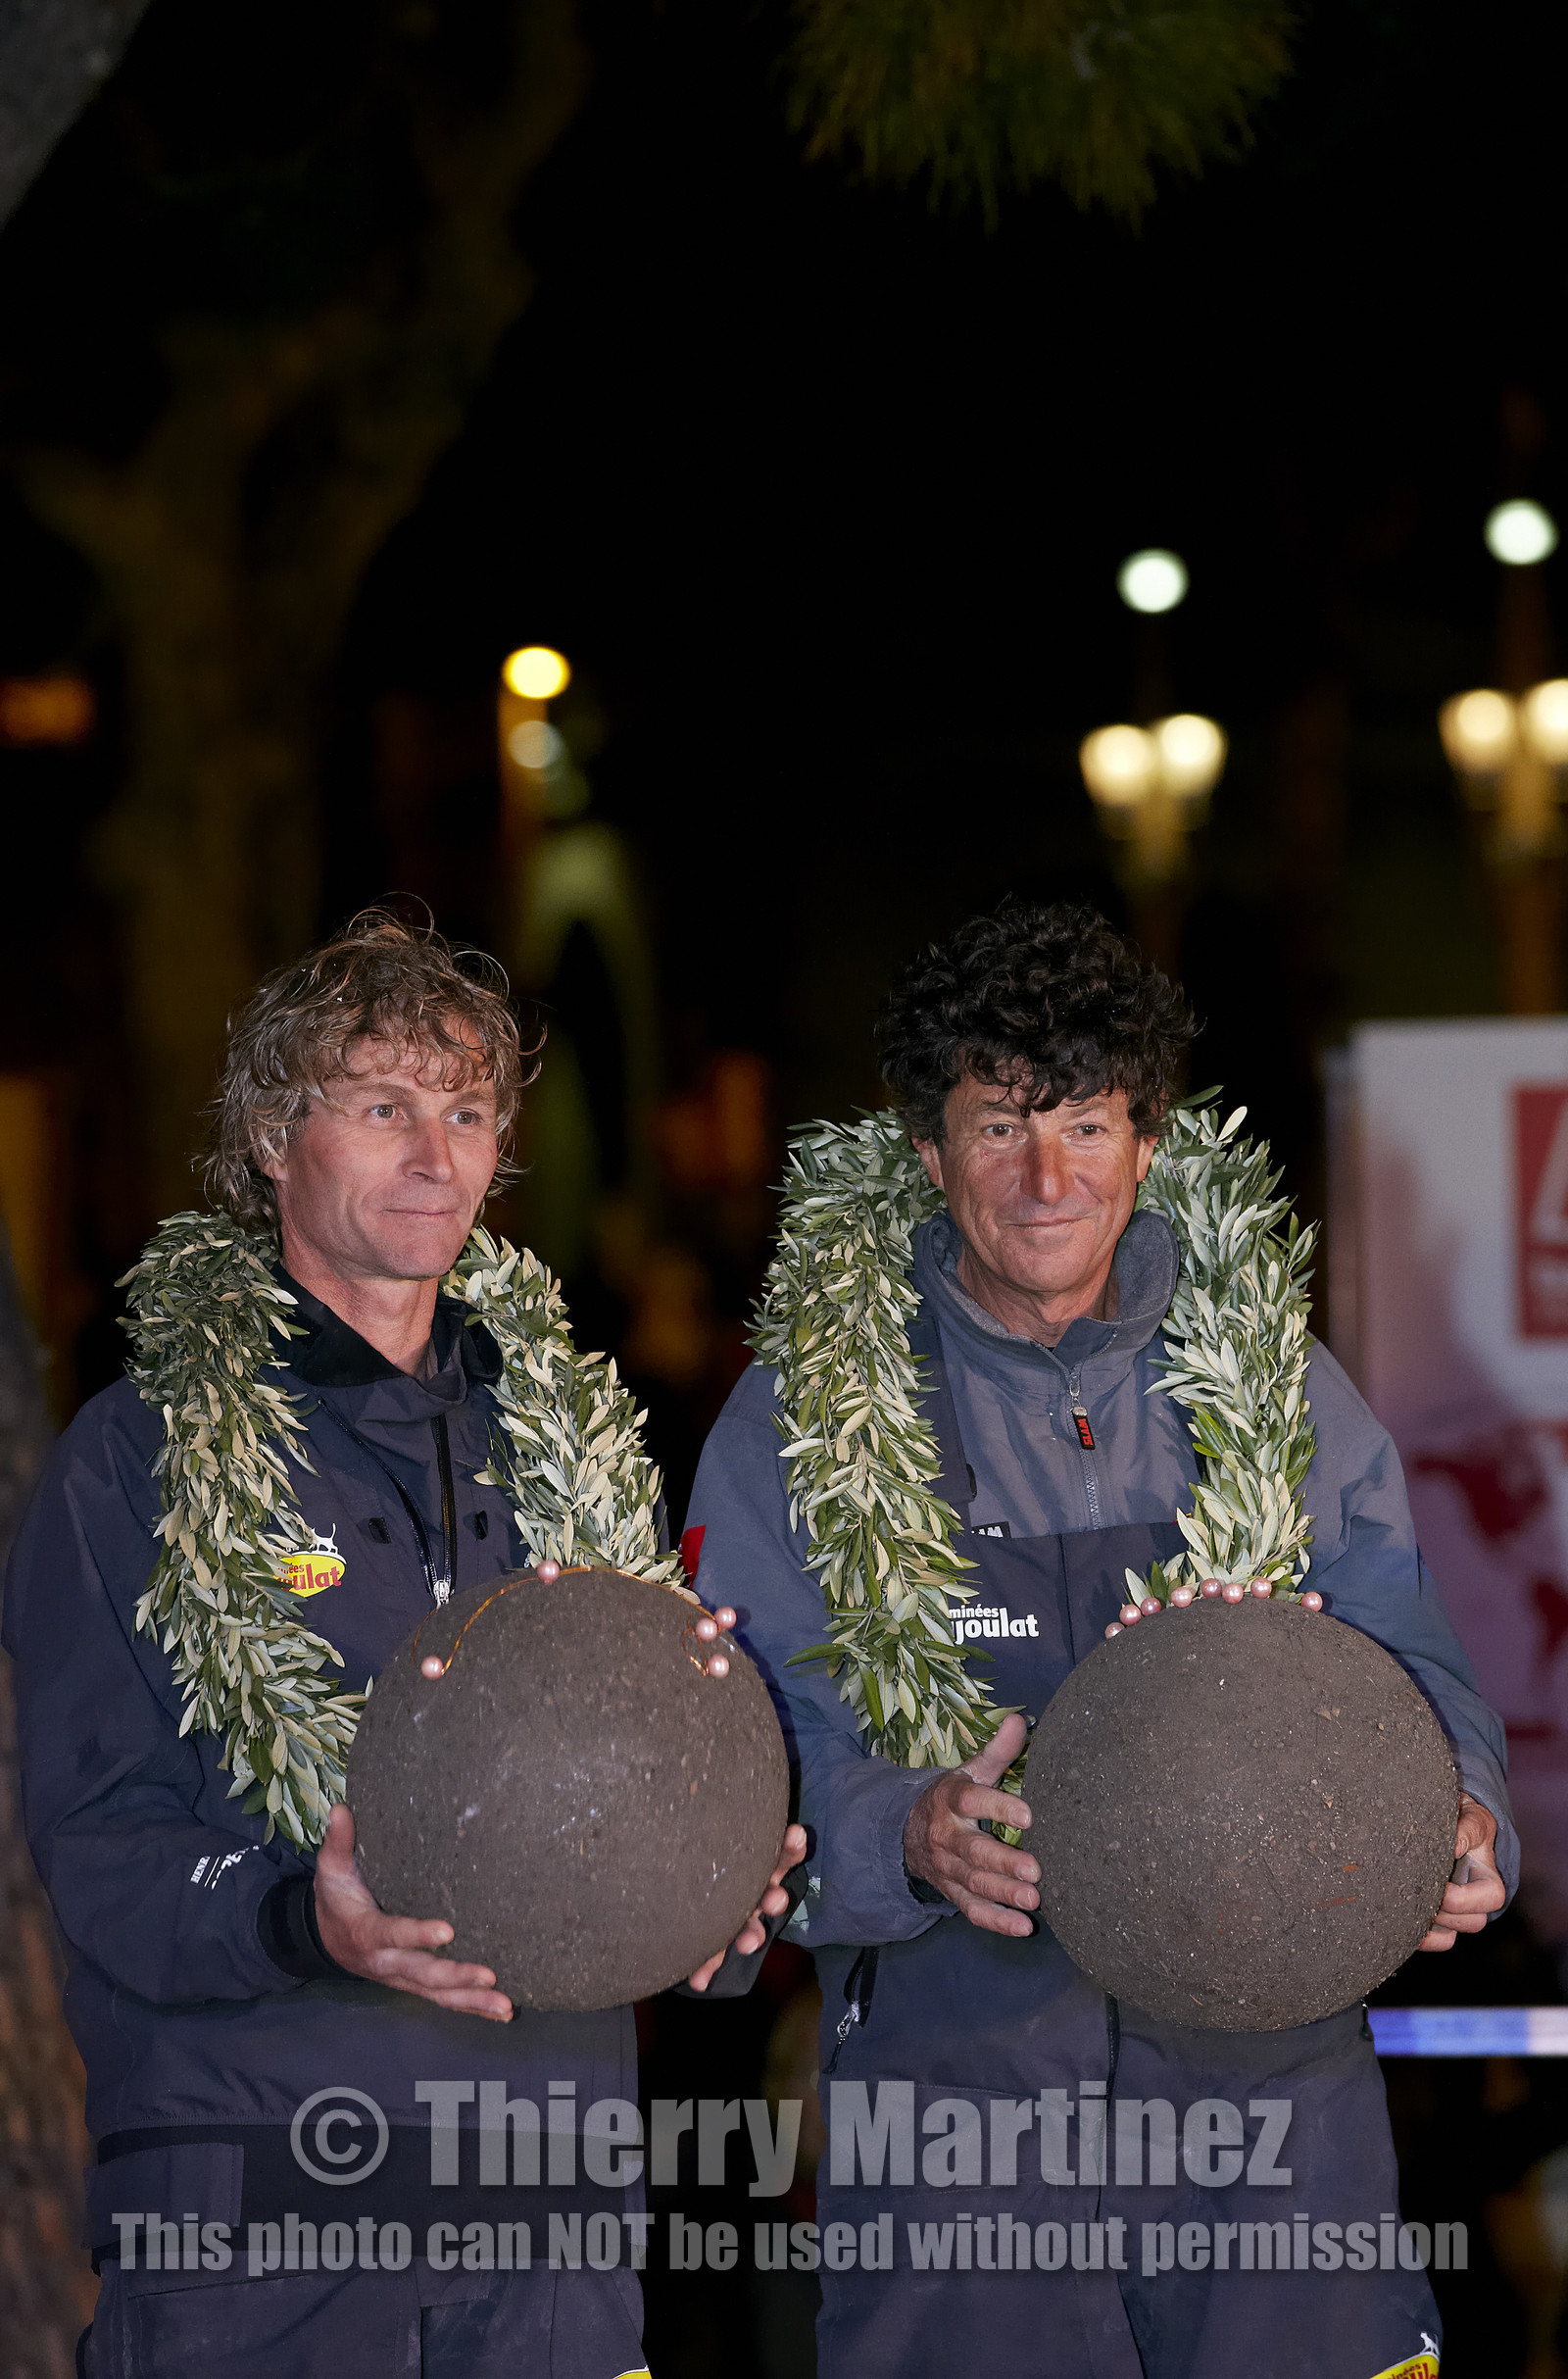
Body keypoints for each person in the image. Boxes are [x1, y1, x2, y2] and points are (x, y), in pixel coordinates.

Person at [685, 901, 1513, 2379]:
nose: (1048, 1174)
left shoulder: (1270, 1381)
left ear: (1145, 1142)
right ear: (930, 1157)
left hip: (1273, 2116)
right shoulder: (804, 1416)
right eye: (1000, 1128)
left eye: (1084, 1121)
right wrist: (902, 1834)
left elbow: (1402, 1647)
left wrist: (1460, 1813)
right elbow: (732, 1750)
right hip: (962, 2120)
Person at [4, 910, 804, 2379]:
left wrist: (712, 1885)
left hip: (549, 2238)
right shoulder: (140, 1461)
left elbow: (647, 1762)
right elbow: (99, 1837)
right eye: (384, 1108)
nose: (437, 1157)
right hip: (261, 2225)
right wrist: (305, 1919)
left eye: (468, 1110)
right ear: (268, 1137)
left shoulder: (578, 1450)